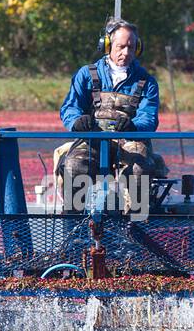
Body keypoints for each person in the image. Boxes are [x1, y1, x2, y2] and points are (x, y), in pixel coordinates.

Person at [57, 19, 166, 198]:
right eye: (121, 47)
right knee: (74, 165)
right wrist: (77, 122)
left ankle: (137, 221)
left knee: (140, 168)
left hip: (131, 141)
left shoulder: (147, 81)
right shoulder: (86, 74)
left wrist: (133, 127)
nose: (126, 52)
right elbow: (70, 107)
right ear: (107, 45)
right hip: (93, 138)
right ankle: (74, 220)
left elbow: (149, 116)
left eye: (131, 47)